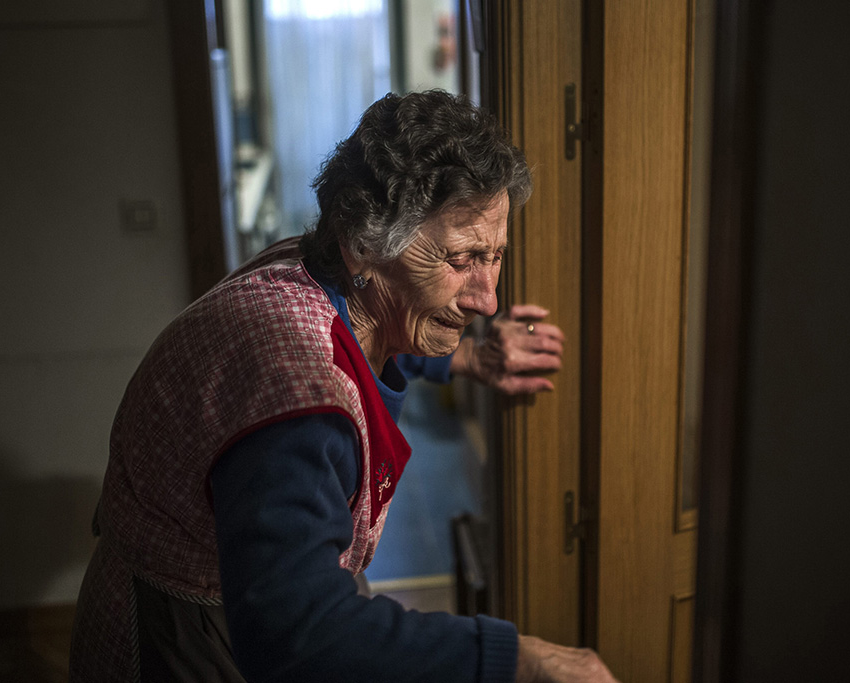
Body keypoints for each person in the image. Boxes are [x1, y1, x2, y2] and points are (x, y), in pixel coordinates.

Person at [70, 90, 616, 682]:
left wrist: (467, 360)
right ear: (362, 244)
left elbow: (365, 333)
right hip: (184, 637)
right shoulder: (297, 396)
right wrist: (516, 660)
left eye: (496, 256)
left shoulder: (315, 269)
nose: (488, 298)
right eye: (461, 260)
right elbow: (297, 633)